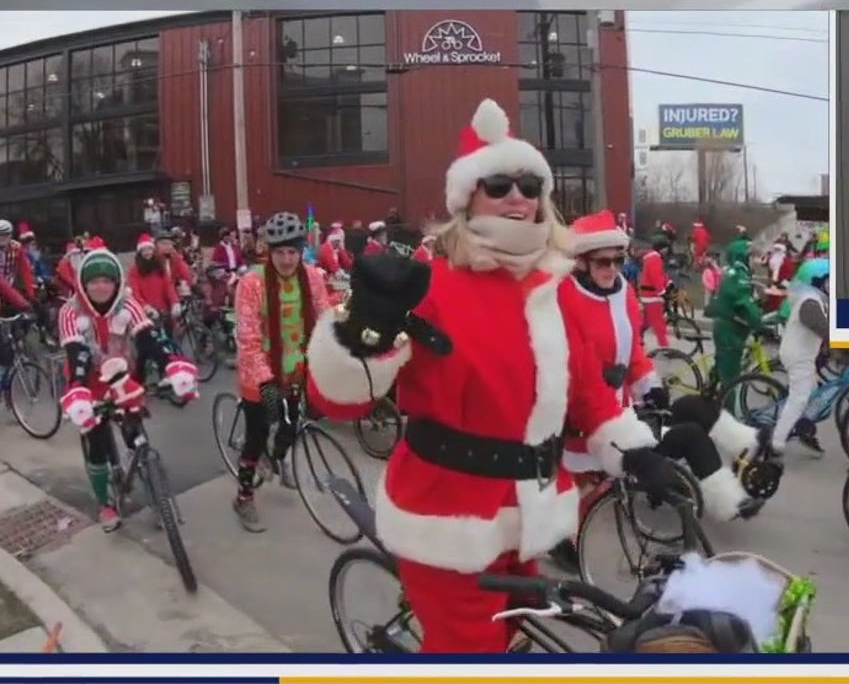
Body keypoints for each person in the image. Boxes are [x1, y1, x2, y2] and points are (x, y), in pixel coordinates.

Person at [302, 98, 680, 653]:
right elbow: (337, 401)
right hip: (446, 522)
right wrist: (365, 329)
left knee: (516, 642)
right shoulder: (430, 285)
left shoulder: (552, 290)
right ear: (467, 196)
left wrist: (635, 453)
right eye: (499, 184)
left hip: (527, 515)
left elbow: (590, 397)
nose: (518, 197)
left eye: (530, 186)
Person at [547, 211, 765, 571]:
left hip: (618, 410)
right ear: (581, 262)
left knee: (693, 414)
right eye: (603, 262)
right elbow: (574, 372)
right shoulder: (566, 299)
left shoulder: (623, 296)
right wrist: (609, 392)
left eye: (619, 260)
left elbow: (633, 352)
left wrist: (648, 384)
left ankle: (738, 479)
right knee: (576, 491)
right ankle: (562, 541)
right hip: (582, 417)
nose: (613, 269)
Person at [57, 247, 198, 530]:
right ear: (83, 284)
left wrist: (172, 363)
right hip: (88, 383)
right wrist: (78, 389)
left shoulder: (128, 304)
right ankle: (105, 505)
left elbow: (148, 339)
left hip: (124, 377)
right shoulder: (69, 312)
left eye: (107, 280)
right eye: (93, 281)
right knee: (96, 445)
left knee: (135, 435)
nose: (100, 286)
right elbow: (76, 354)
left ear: (116, 282)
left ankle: (157, 495)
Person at [230, 211, 332, 531]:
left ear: (301, 251)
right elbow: (247, 338)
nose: (287, 259)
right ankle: (244, 497)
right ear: (269, 251)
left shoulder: (313, 276)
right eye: (279, 252)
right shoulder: (252, 283)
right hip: (258, 371)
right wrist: (264, 380)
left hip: (295, 367)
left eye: (292, 252)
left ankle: (275, 458)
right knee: (257, 434)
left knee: (291, 425)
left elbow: (325, 315)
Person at [770, 258, 830, 456]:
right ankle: (776, 442)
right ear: (817, 282)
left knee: (813, 394)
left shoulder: (813, 299)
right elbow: (823, 328)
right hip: (798, 356)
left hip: (802, 353)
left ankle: (803, 428)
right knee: (800, 398)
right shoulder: (810, 303)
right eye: (828, 280)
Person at [705, 236, 766, 389]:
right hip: (730, 332)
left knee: (722, 365)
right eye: (753, 256)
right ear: (743, 257)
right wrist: (760, 324)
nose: (756, 261)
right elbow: (745, 304)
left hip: (727, 327)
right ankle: (728, 410)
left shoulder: (735, 273)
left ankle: (709, 394)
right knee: (731, 379)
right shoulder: (739, 276)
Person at [127, 234, 182, 335]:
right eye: (144, 250)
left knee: (169, 339)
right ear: (140, 252)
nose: (147, 252)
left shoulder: (159, 266)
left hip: (164, 310)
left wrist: (175, 302)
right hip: (147, 314)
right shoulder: (134, 271)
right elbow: (135, 293)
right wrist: (146, 308)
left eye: (149, 249)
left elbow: (168, 286)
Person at [635, 238, 670, 347]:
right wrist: (662, 292)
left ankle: (637, 339)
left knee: (646, 321)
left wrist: (668, 282)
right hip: (652, 296)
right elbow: (656, 277)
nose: (667, 250)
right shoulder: (655, 259)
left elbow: (660, 275)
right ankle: (664, 346)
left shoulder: (652, 258)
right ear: (661, 248)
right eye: (666, 248)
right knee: (659, 323)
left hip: (647, 294)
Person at [0, 220, 36, 303]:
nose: (2, 238)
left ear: (11, 235)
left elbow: (25, 270)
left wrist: (31, 295)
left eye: (6, 234)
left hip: (9, 288)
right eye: (0, 235)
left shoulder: (16, 248)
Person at [155, 228, 194, 299]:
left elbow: (184, 271)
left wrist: (192, 284)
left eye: (170, 244)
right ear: (156, 245)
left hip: (173, 288)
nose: (168, 246)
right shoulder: (153, 259)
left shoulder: (175, 257)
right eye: (164, 244)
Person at [761, 240, 795, 313]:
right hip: (780, 283)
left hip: (781, 283)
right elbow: (763, 263)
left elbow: (785, 276)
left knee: (777, 300)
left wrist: (776, 284)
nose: (775, 251)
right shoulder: (777, 259)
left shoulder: (779, 260)